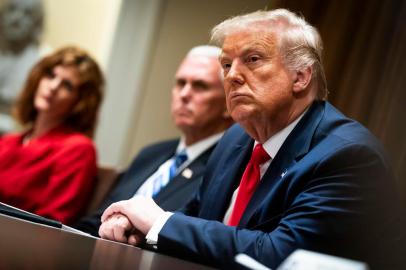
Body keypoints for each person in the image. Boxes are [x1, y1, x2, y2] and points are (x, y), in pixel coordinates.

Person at [98, 9, 404, 269]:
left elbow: (279, 256)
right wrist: (140, 230)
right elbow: (196, 215)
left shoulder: (347, 156)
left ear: (301, 76)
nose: (231, 77)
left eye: (253, 59)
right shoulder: (235, 139)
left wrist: (160, 223)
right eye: (227, 64)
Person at [75, 45, 233, 236]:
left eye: (200, 86)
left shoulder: (227, 168)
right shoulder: (150, 153)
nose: (184, 94)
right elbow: (98, 219)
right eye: (180, 83)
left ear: (228, 102)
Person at [0, 46, 104, 225]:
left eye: (67, 85)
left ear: (80, 102)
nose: (53, 86)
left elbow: (53, 222)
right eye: (50, 76)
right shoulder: (9, 142)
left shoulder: (78, 149)